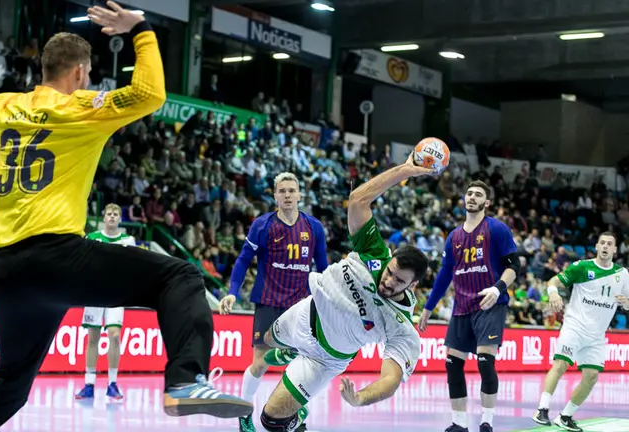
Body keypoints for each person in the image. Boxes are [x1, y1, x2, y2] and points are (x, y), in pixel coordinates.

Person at [0, 5, 252, 431]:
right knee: (180, 277)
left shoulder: (6, 107)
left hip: (5, 267)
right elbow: (151, 94)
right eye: (90, 72)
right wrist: (141, 29)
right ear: (80, 72)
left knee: (10, 385)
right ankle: (185, 380)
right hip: (54, 256)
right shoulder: (83, 106)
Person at [253, 153, 433, 432]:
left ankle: (296, 419)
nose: (388, 281)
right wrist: (405, 170)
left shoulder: (402, 326)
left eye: (398, 281)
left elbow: (391, 380)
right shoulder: (375, 251)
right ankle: (289, 352)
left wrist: (360, 398)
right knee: (268, 341)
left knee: (270, 420)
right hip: (305, 313)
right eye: (390, 271)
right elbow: (358, 200)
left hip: (325, 357)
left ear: (412, 286)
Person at [217, 172, 328, 432]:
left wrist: (326, 301)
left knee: (302, 364)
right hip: (268, 301)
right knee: (261, 362)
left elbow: (323, 268)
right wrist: (233, 290)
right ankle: (244, 413)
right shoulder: (262, 225)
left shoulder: (314, 228)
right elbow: (244, 259)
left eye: (292, 190)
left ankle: (292, 412)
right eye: (282, 191)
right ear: (275, 195)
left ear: (300, 194)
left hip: (300, 306)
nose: (287, 195)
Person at [418, 180, 520, 432]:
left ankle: (487, 421)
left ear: (487, 202)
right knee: (452, 364)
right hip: (461, 306)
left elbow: (514, 267)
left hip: (490, 304)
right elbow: (444, 274)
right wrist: (428, 307)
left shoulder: (497, 229)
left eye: (478, 195)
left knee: (485, 361)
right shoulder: (454, 236)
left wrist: (497, 289)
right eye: (469, 193)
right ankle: (459, 423)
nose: (472, 197)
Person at [532, 233, 629, 431]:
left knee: (592, 376)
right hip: (574, 326)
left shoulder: (623, 274)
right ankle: (542, 409)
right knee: (560, 364)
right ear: (596, 246)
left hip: (597, 336)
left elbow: (628, 302)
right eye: (602, 243)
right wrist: (553, 294)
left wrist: (627, 303)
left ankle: (565, 416)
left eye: (609, 244)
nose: (605, 246)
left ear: (615, 250)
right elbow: (553, 282)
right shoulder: (582, 267)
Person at [75, 204, 135, 402]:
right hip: (94, 293)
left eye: (115, 214)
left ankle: (112, 383)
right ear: (103, 217)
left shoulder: (128, 240)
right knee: (93, 337)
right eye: (108, 213)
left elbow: (134, 265)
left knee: (114, 335)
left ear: (120, 218)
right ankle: (89, 384)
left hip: (116, 293)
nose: (111, 216)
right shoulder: (92, 238)